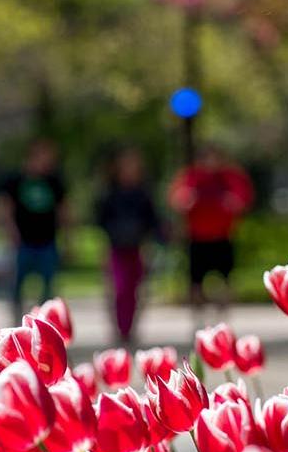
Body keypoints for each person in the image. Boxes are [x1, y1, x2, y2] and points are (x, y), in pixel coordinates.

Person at [168, 145, 254, 325]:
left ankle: (222, 319)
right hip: (198, 237)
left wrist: (232, 202)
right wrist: (187, 201)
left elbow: (243, 199)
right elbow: (177, 199)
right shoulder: (192, 177)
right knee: (196, 282)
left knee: (225, 279)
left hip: (222, 236)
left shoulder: (229, 177)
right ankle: (199, 319)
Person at [0, 137, 69, 320]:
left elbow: (64, 211)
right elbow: (3, 208)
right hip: (22, 242)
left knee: (48, 288)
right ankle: (17, 320)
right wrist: (9, 232)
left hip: (47, 241)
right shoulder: (15, 180)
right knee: (16, 286)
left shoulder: (54, 182)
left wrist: (67, 237)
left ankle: (44, 322)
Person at [94, 148, 163, 345]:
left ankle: (131, 329)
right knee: (118, 289)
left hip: (137, 248)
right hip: (116, 248)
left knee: (135, 291)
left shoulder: (143, 194)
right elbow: (101, 222)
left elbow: (153, 222)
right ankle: (119, 328)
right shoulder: (110, 194)